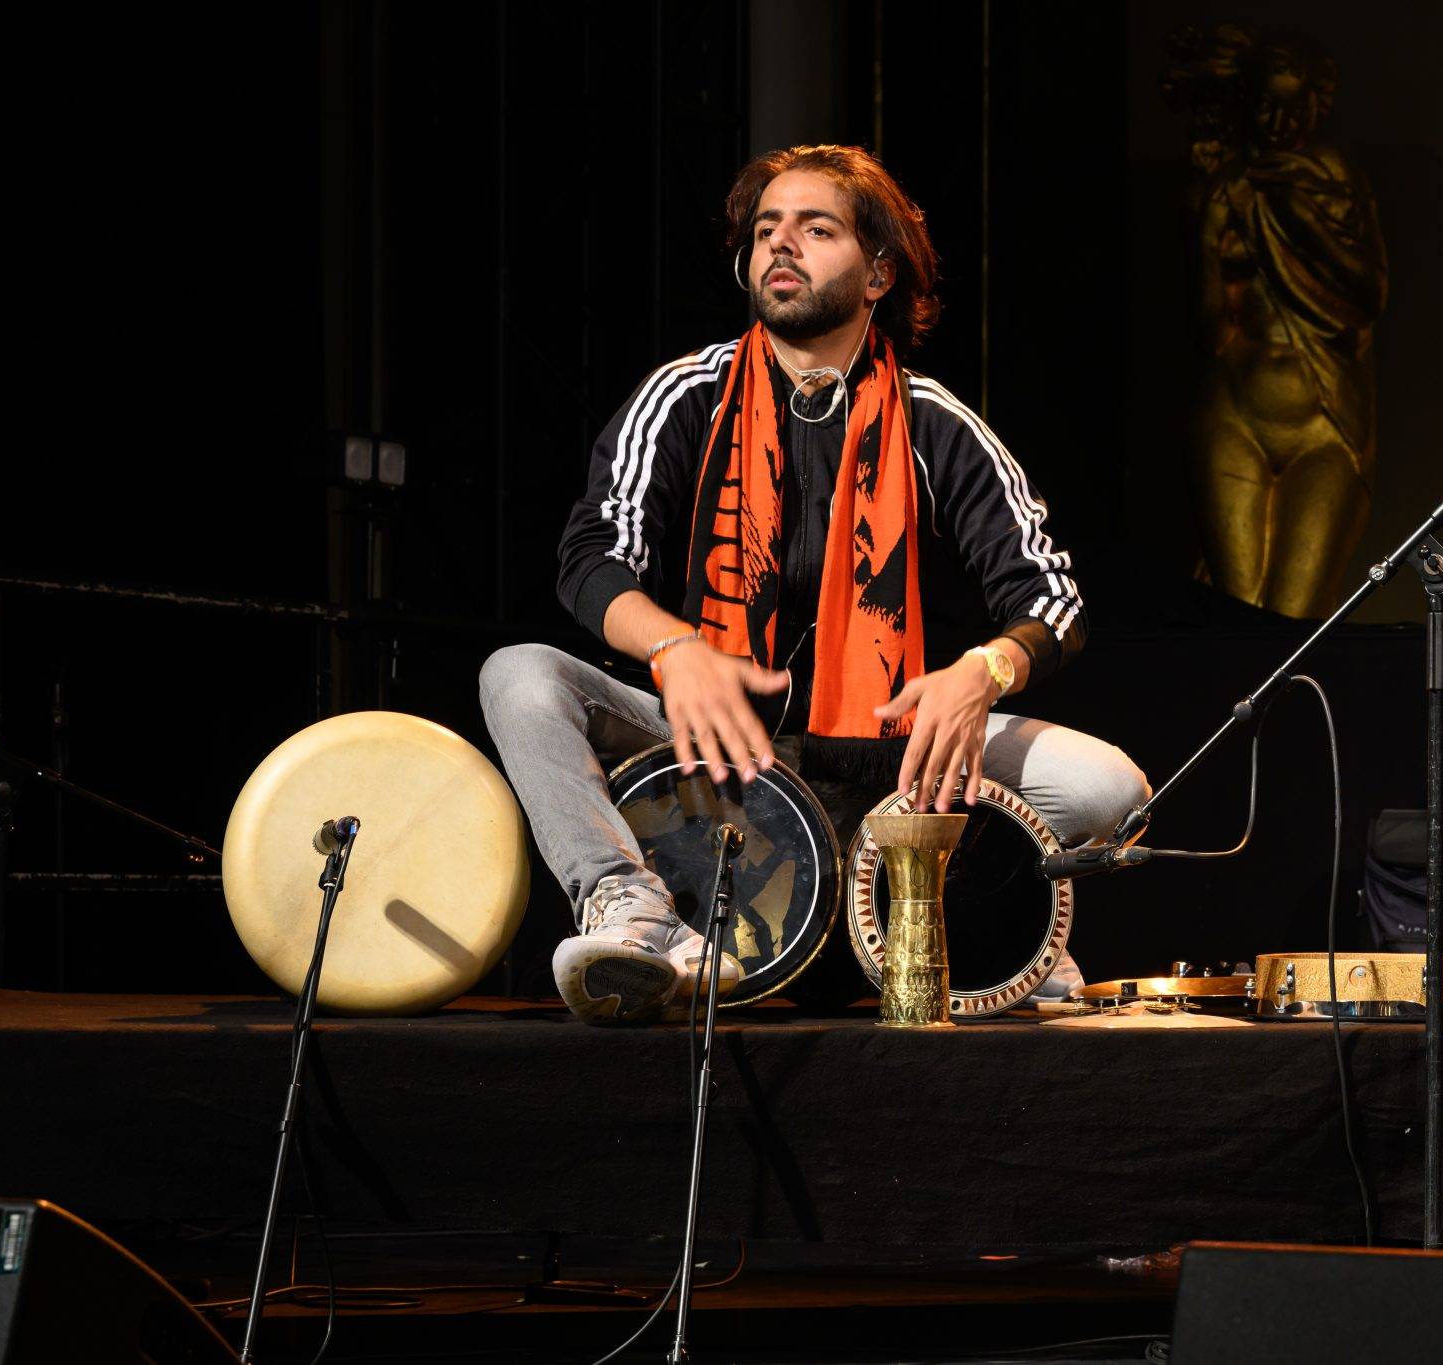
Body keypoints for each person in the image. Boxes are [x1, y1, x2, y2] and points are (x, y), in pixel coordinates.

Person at [481, 144, 1147, 1024]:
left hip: (888, 761)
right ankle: (631, 909)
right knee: (520, 676)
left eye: (814, 228)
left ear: (877, 273)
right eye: (765, 230)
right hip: (708, 747)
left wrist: (980, 673)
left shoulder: (934, 421)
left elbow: (1050, 598)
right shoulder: (687, 395)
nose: (780, 246)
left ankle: (963, 916)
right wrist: (674, 650)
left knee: (1112, 788)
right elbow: (592, 555)